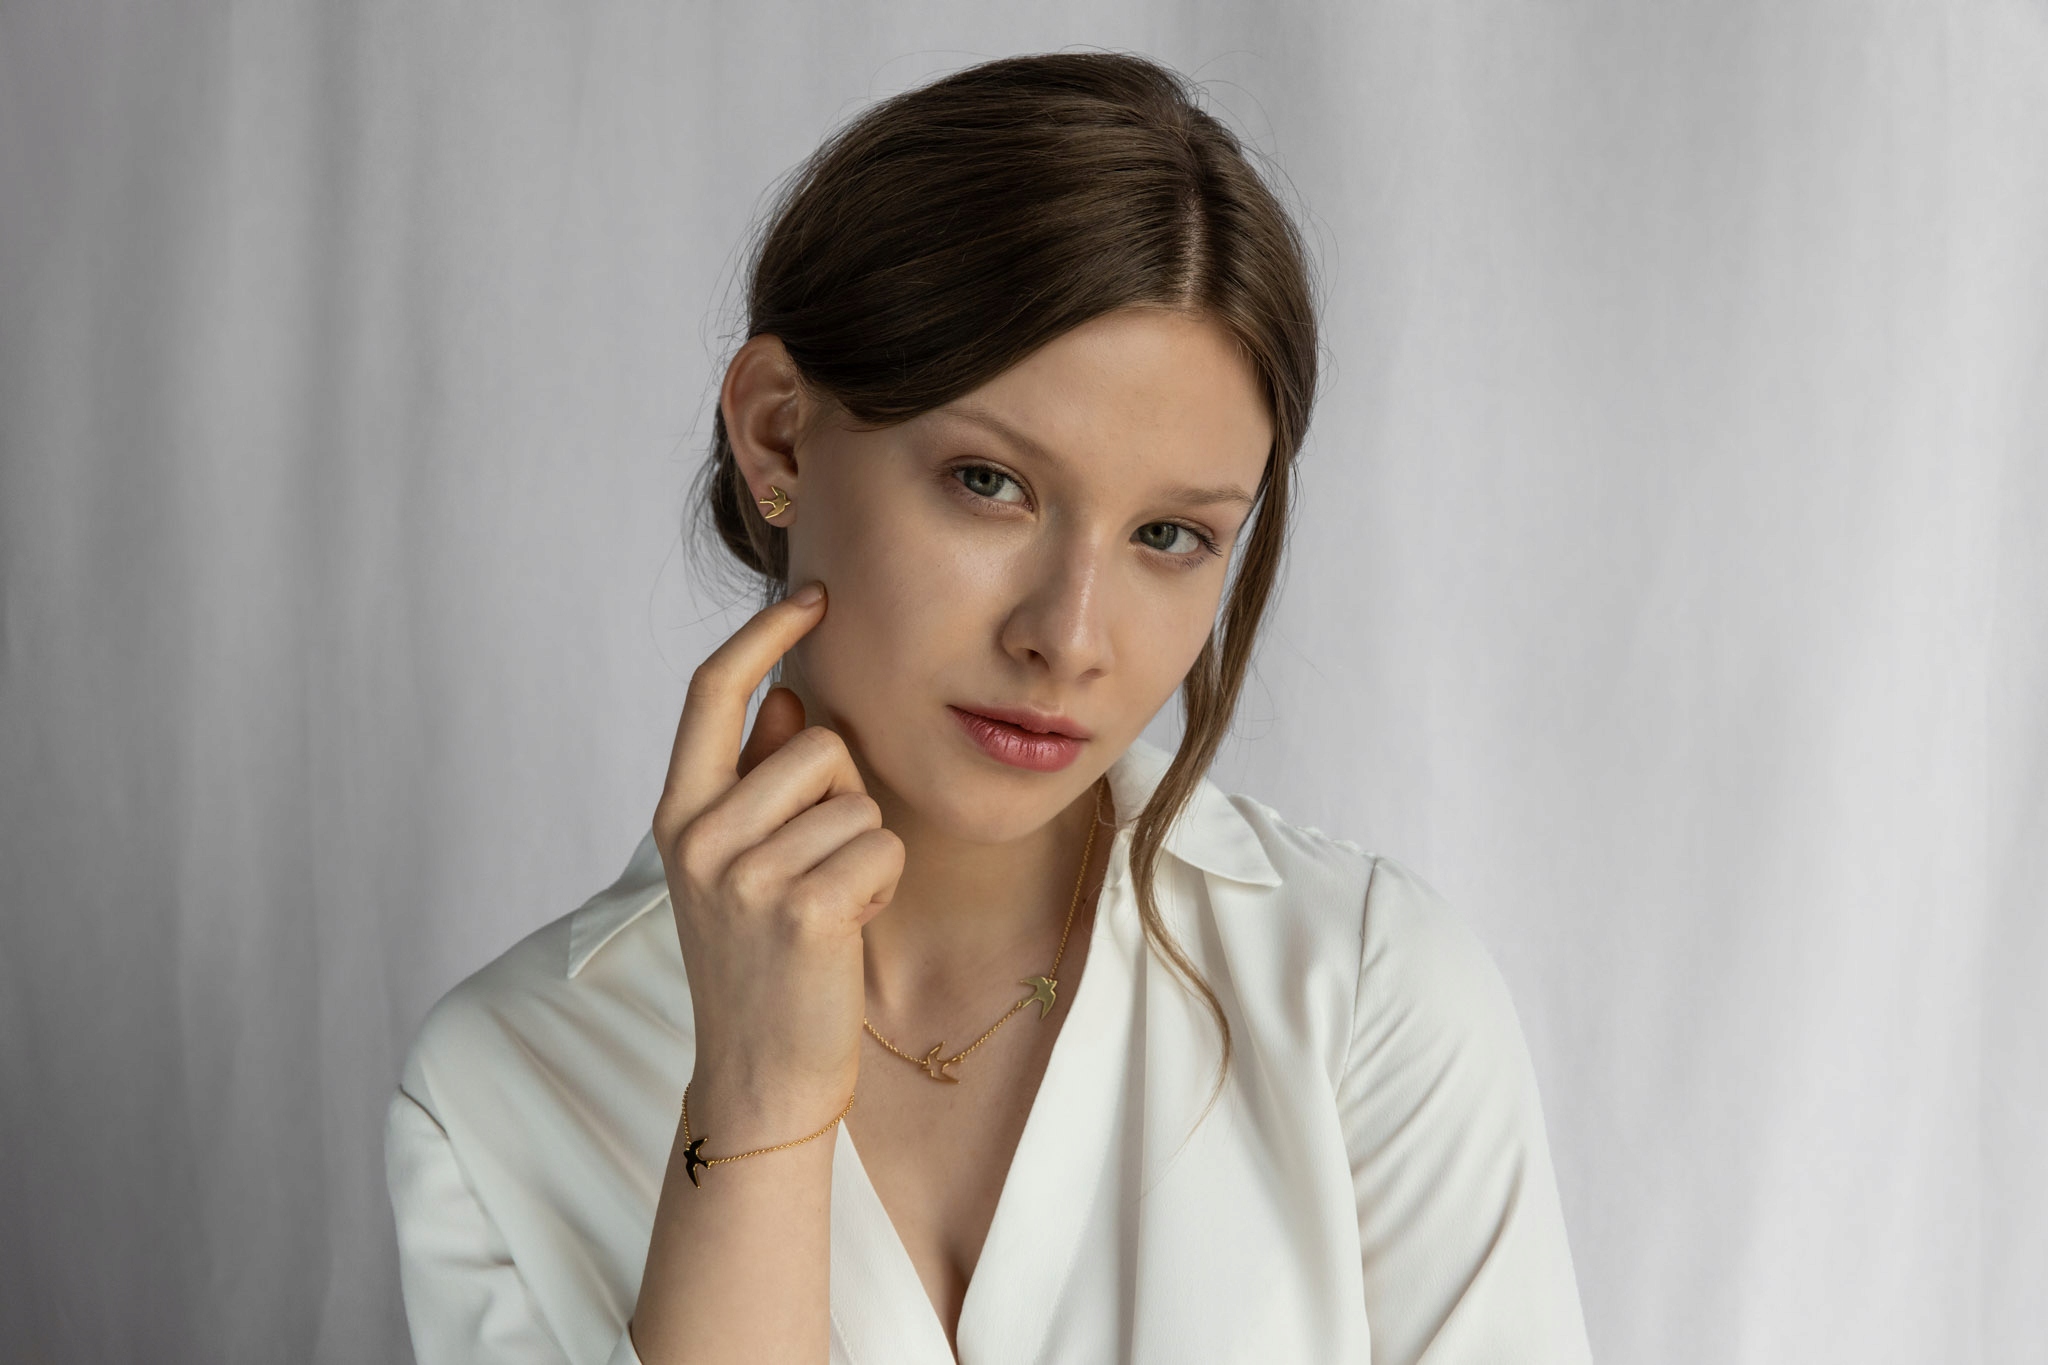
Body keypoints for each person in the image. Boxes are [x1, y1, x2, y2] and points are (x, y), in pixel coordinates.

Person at [384, 50, 1593, 1365]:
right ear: (780, 433)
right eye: (990, 482)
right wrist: (757, 1097)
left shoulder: (1363, 994)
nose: (1068, 637)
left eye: (1171, 536)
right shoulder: (503, 1087)